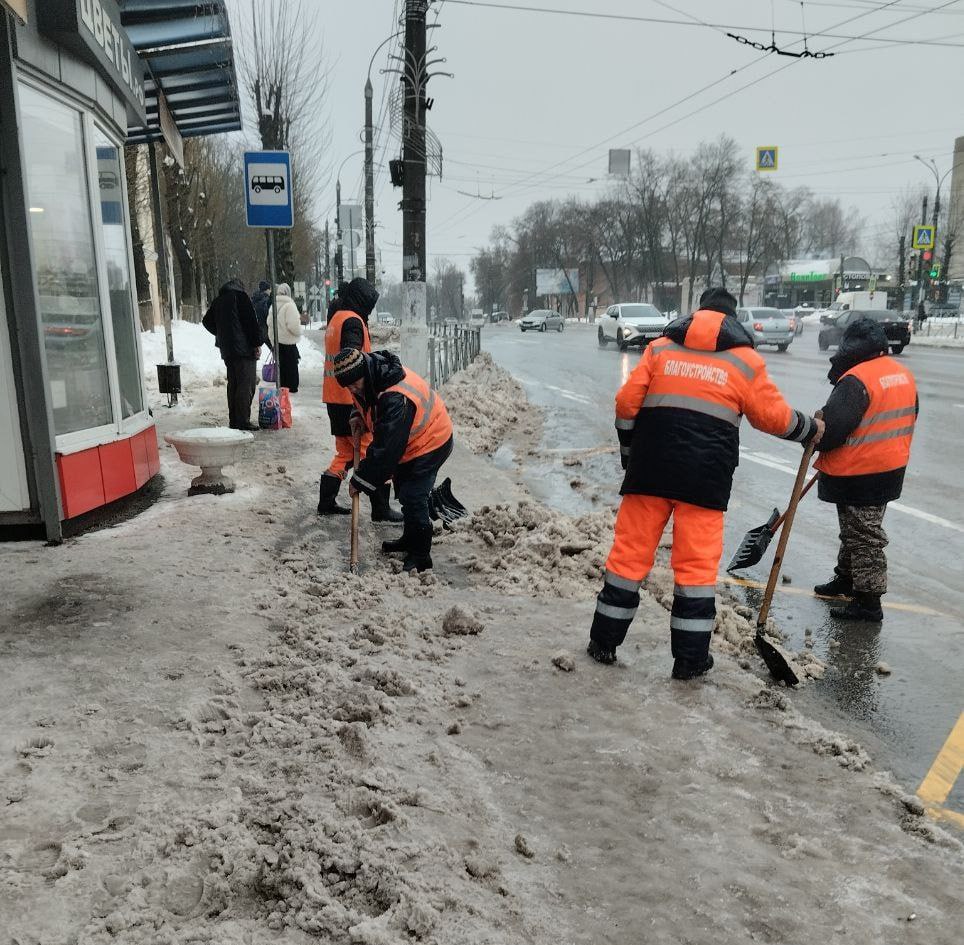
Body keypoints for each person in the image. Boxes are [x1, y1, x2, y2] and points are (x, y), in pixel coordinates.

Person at [586, 287, 824, 680]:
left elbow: (626, 403)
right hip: (705, 480)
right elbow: (773, 417)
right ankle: (690, 661)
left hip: (650, 472)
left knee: (628, 559)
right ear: (732, 320)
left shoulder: (661, 349)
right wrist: (810, 429)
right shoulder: (744, 361)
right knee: (695, 572)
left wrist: (630, 454)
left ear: (697, 315)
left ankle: (604, 643)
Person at [812, 317, 918, 622]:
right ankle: (846, 580)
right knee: (856, 530)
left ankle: (869, 602)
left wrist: (814, 433)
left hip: (860, 471)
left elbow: (833, 429)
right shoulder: (901, 373)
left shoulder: (857, 380)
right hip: (889, 466)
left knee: (864, 537)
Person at [332, 347, 453, 573]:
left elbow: (386, 451)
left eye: (354, 384)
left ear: (364, 373)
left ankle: (421, 555)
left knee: (413, 495)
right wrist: (357, 414)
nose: (352, 389)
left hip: (432, 440)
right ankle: (410, 538)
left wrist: (360, 479)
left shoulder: (394, 396)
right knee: (404, 487)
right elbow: (365, 401)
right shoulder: (368, 377)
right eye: (347, 386)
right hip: (410, 441)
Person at [319, 278, 402, 522]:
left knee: (345, 451)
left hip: (333, 396)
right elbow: (351, 358)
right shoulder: (353, 321)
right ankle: (381, 508)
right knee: (371, 449)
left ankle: (326, 501)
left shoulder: (337, 317)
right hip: (350, 398)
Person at [202, 279, 261, 431]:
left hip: (227, 350)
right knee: (245, 385)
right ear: (240, 287)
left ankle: (234, 420)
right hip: (244, 350)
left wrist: (223, 333)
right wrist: (256, 343)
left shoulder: (219, 301)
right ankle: (243, 421)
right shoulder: (240, 297)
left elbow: (206, 321)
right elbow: (250, 323)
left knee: (233, 384)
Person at [267, 282, 302, 393]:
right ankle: (291, 389)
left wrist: (273, 339)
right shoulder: (290, 306)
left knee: (281, 367)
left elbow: (269, 323)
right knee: (291, 367)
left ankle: (283, 388)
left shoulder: (273, 306)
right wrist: (298, 332)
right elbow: (293, 325)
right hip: (289, 343)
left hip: (278, 342)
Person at [252, 279, 271, 346]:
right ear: (266, 290)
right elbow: (268, 314)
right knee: (276, 350)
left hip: (256, 329)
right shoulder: (266, 300)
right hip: (265, 329)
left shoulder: (254, 299)